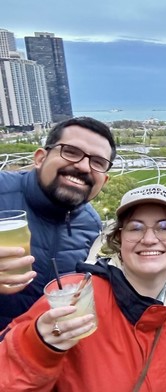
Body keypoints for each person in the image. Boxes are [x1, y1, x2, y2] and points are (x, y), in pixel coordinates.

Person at [0, 184, 166, 391]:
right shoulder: (74, 294)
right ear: (119, 238)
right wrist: (37, 347)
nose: (149, 239)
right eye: (135, 228)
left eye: (164, 227)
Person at [0, 117, 116, 330]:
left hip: (45, 356)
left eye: (98, 162)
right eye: (70, 151)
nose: (83, 166)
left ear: (104, 180)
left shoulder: (90, 223)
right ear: (40, 158)